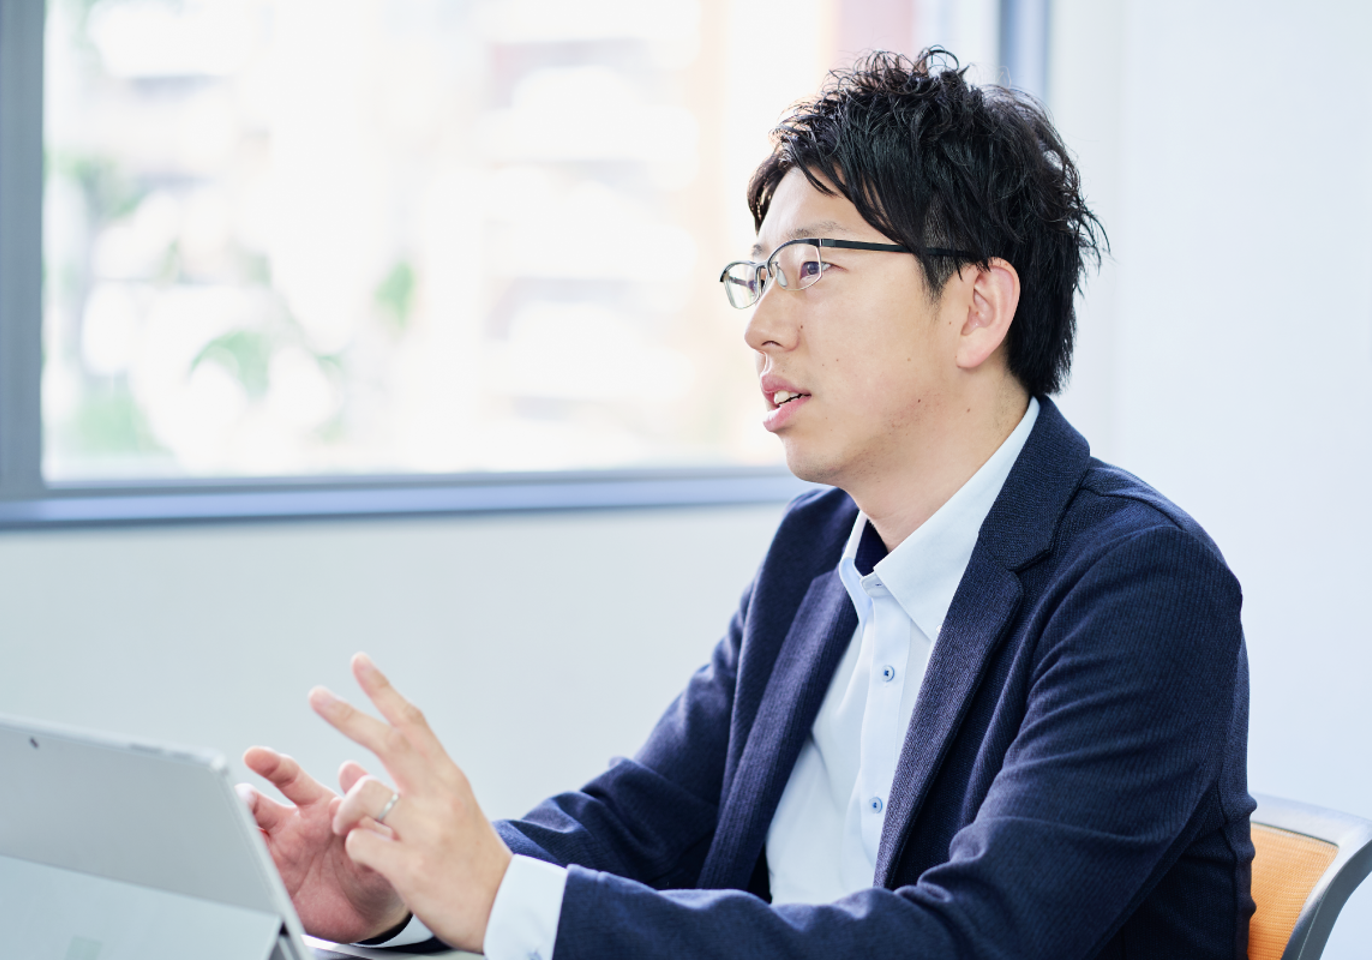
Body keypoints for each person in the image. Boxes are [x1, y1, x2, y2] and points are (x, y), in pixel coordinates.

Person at [239, 49, 1254, 959]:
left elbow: (979, 939)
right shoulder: (814, 550)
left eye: (812, 268)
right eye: (760, 275)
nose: (761, 326)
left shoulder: (1142, 587)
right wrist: (405, 887)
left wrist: (504, 905)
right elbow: (641, 823)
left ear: (976, 307)